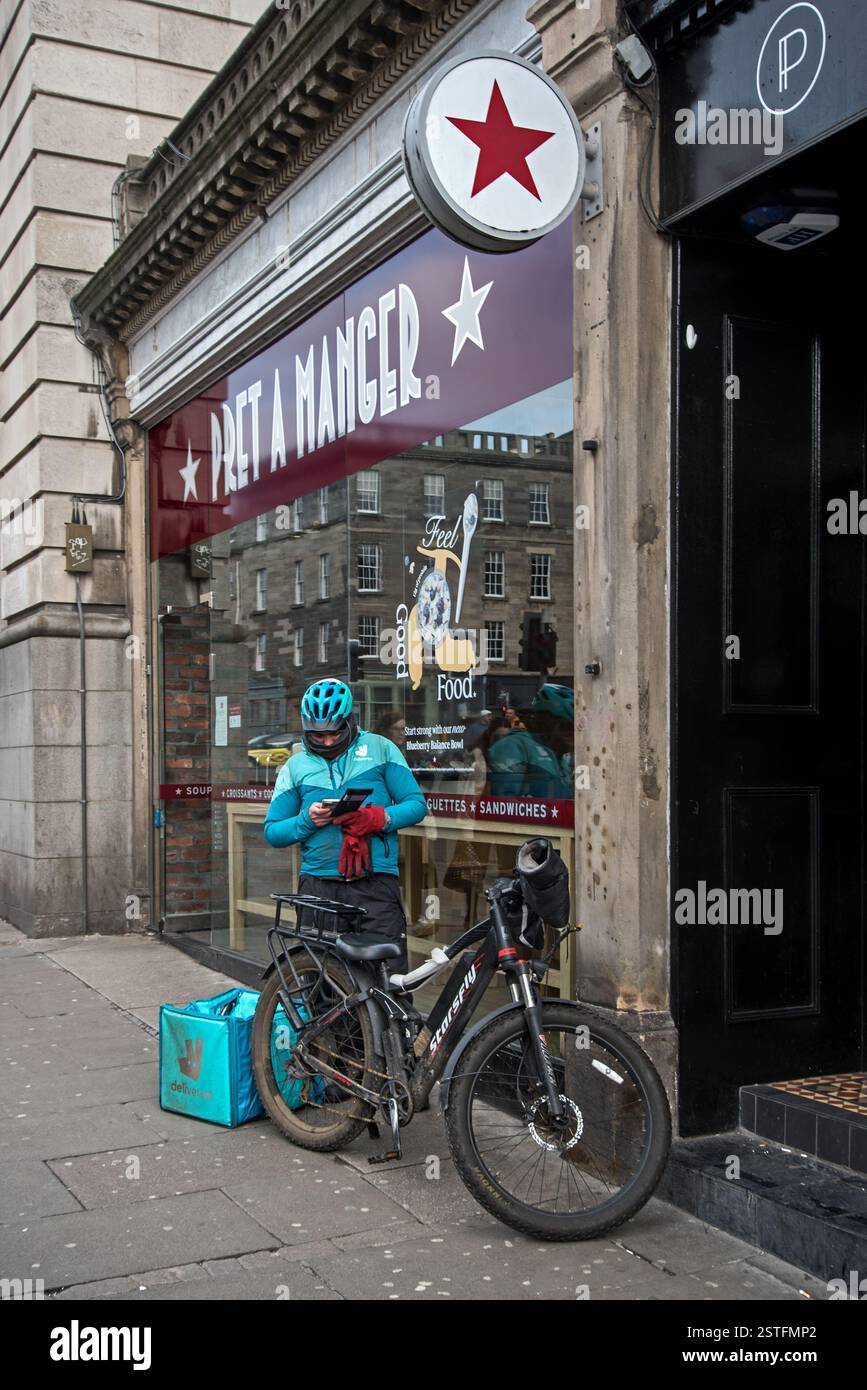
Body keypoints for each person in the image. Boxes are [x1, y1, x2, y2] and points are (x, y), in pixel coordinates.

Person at [263, 678, 427, 972]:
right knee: (322, 982)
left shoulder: (381, 749)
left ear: (350, 721)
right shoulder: (295, 766)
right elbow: (273, 831)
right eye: (318, 735)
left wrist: (378, 818)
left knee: (388, 977)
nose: (327, 742)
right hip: (318, 889)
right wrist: (307, 821)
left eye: (335, 733)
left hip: (375, 885)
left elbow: (416, 805)